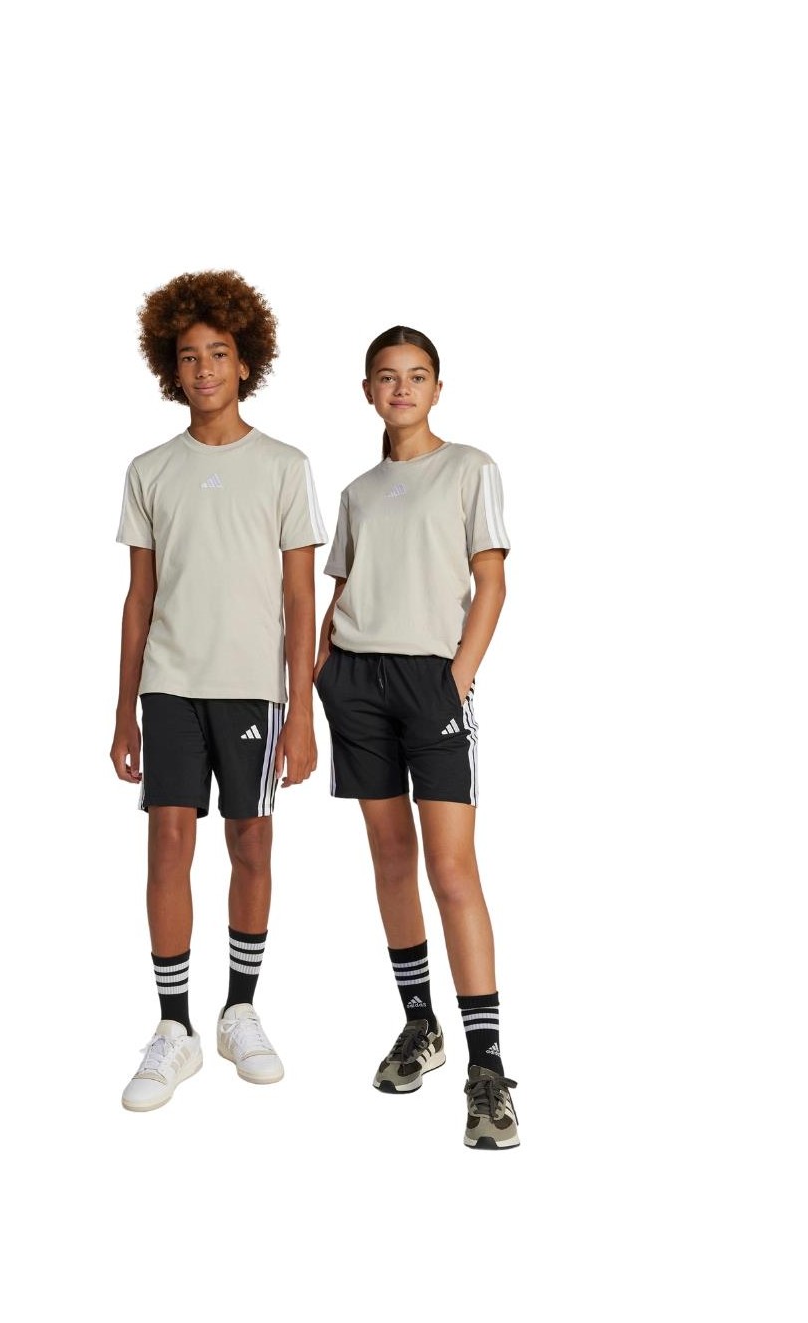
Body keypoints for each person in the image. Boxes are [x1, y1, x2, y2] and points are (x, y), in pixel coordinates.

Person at [111, 270, 326, 1112]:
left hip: (252, 692)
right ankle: (175, 1027)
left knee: (251, 843)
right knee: (168, 841)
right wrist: (123, 710)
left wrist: (300, 714)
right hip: (169, 684)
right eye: (188, 356)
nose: (203, 369)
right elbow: (138, 597)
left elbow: (301, 599)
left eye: (218, 353)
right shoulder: (150, 469)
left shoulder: (283, 466)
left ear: (245, 363)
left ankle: (240, 1011)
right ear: (171, 368)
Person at [315, 325, 519, 1149]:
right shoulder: (358, 491)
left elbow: (491, 580)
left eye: (417, 375)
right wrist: (321, 674)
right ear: (367, 391)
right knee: (391, 858)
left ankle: (486, 1067)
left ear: (437, 388)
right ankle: (418, 1024)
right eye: (386, 376)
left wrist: (456, 678)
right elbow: (340, 590)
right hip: (354, 682)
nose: (401, 388)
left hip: (431, 679)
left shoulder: (469, 468)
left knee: (451, 867)